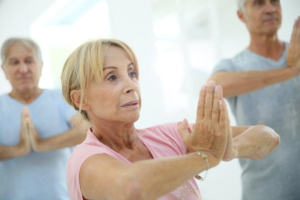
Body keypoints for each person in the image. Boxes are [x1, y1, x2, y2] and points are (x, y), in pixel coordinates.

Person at [61, 39, 280, 200]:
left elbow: (269, 136)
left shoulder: (169, 135)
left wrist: (229, 149)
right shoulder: (83, 159)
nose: (131, 86)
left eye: (132, 73)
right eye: (112, 77)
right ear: (81, 99)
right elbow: (131, 188)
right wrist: (207, 157)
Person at [208, 0, 300, 199]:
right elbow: (213, 85)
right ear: (242, 16)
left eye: (274, 1)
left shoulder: (298, 53)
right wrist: (288, 72)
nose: (270, 8)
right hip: (264, 193)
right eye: (259, 3)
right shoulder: (233, 65)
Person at [0, 38, 90, 200]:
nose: (23, 68)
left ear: (41, 66)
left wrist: (41, 144)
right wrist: (19, 149)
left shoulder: (62, 97)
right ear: (4, 70)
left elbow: (87, 128)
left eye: (29, 61)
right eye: (14, 62)